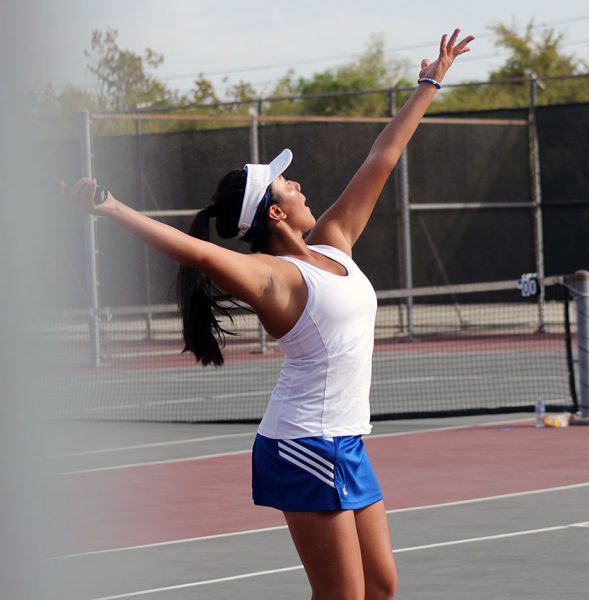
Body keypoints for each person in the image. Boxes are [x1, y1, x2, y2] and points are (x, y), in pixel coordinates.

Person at [64, 29, 474, 600]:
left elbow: (383, 156)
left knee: (379, 587)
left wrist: (430, 82)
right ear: (276, 211)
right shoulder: (273, 278)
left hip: (345, 440)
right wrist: (109, 206)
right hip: (304, 443)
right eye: (288, 181)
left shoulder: (334, 243)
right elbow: (195, 251)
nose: (300, 182)